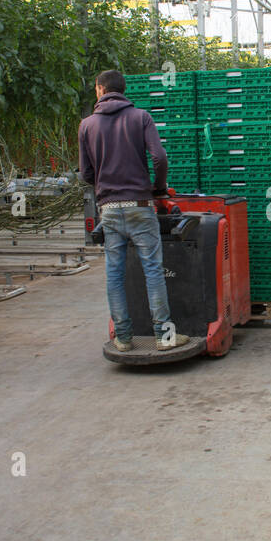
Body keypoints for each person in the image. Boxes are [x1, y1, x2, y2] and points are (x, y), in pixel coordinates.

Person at [79, 70, 189, 352]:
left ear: (101, 89)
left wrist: (104, 186)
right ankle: (164, 337)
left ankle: (124, 338)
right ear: (122, 90)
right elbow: (159, 157)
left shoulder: (87, 125)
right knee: (153, 270)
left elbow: (86, 174)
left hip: (110, 209)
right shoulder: (141, 117)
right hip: (140, 206)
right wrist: (158, 187)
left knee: (114, 274)